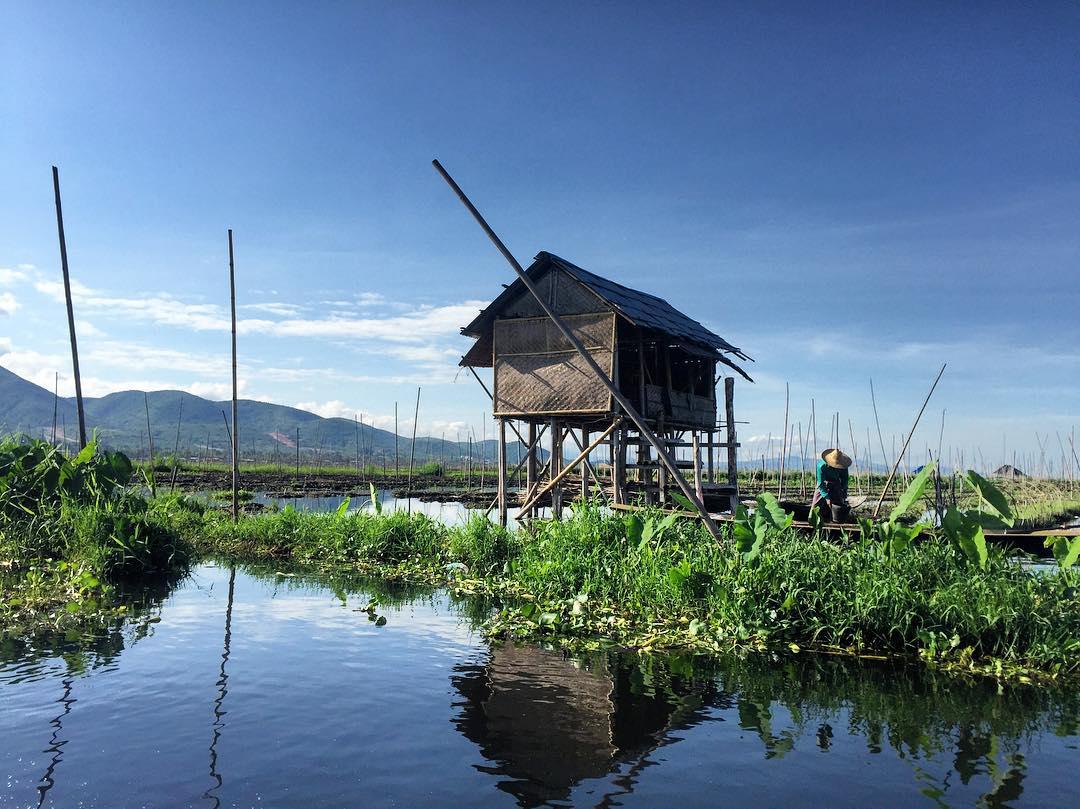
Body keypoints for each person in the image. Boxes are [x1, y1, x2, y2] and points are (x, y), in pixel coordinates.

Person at [812, 448, 851, 523]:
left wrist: (844, 493)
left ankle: (835, 522)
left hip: (836, 483)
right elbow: (821, 483)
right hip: (823, 484)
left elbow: (844, 480)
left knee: (839, 505)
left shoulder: (843, 466)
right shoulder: (821, 466)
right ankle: (813, 522)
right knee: (816, 506)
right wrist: (827, 498)